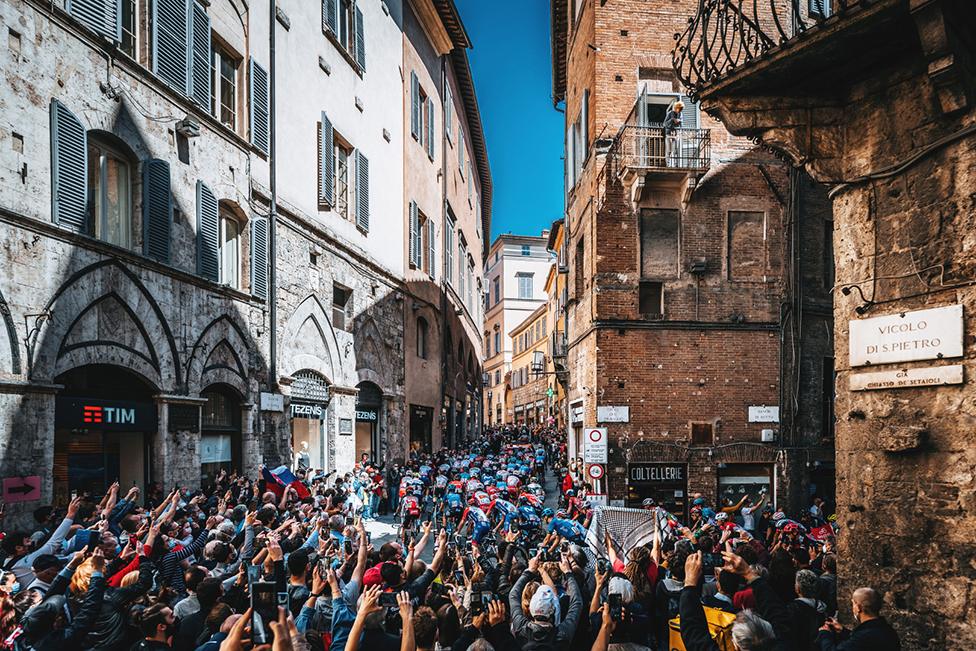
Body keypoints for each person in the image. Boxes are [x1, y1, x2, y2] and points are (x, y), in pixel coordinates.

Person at [816, 587, 901, 650]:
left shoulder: (864, 637)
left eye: (853, 603)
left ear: (858, 607)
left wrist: (825, 634)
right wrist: (843, 631)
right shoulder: (888, 630)